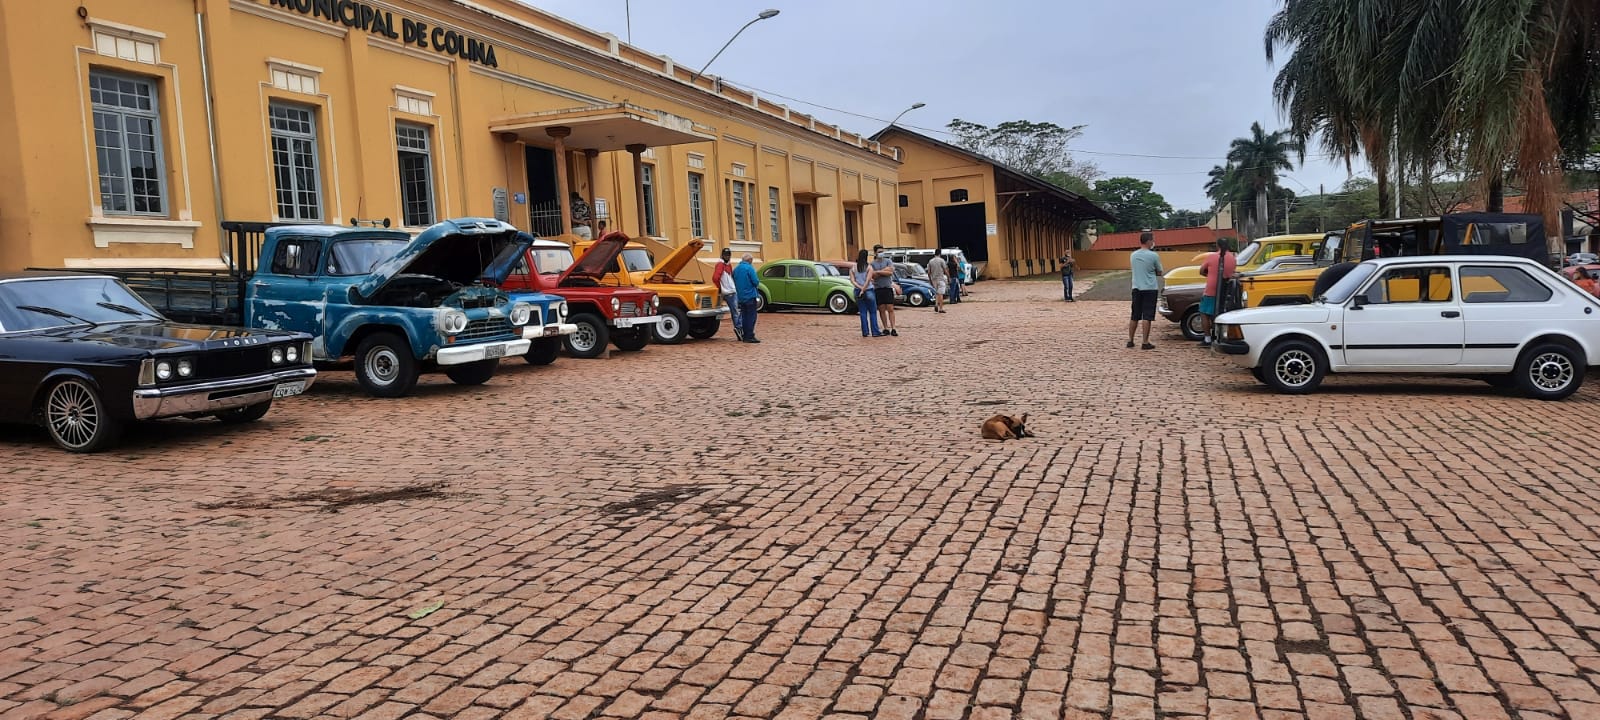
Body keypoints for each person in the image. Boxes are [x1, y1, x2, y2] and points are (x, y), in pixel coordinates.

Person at [1196, 238, 1236, 347]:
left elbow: (1201, 271)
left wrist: (1209, 275)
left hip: (1211, 289)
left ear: (1217, 246)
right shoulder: (1232, 258)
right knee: (1218, 313)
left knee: (1204, 313)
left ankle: (1208, 338)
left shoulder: (1212, 257)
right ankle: (1218, 336)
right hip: (1225, 289)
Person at [1127, 231, 1164, 350]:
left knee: (1135, 316)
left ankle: (1130, 340)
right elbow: (1159, 271)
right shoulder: (1153, 256)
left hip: (1136, 287)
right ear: (1148, 241)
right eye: (1152, 240)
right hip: (1150, 288)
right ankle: (1145, 341)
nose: (1153, 242)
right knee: (1147, 316)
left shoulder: (1133, 255)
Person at [711, 247, 742, 341]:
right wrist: (720, 288)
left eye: (728, 255)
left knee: (735, 311)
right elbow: (715, 278)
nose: (727, 256)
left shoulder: (728, 265)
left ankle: (739, 327)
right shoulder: (720, 264)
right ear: (722, 255)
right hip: (729, 292)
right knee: (735, 311)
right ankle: (739, 328)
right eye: (725, 255)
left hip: (731, 290)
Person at [851, 249, 882, 337]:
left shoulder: (853, 268)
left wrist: (860, 288)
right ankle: (875, 332)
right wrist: (864, 289)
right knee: (872, 312)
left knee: (863, 312)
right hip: (868, 290)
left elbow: (852, 281)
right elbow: (868, 280)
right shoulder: (869, 267)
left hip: (857, 290)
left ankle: (865, 332)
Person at [870, 244, 899, 336]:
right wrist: (883, 271)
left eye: (882, 252)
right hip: (878, 288)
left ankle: (893, 328)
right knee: (881, 309)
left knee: (890, 308)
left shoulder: (888, 261)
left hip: (888, 288)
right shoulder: (872, 264)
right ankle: (886, 328)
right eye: (879, 252)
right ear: (875, 253)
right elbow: (873, 276)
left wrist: (878, 271)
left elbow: (890, 272)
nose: (881, 253)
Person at [732, 252, 761, 343]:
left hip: (740, 296)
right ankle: (749, 335)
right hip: (750, 295)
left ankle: (745, 334)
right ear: (750, 260)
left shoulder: (736, 269)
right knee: (751, 316)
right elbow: (756, 281)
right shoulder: (749, 268)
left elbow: (733, 279)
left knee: (744, 316)